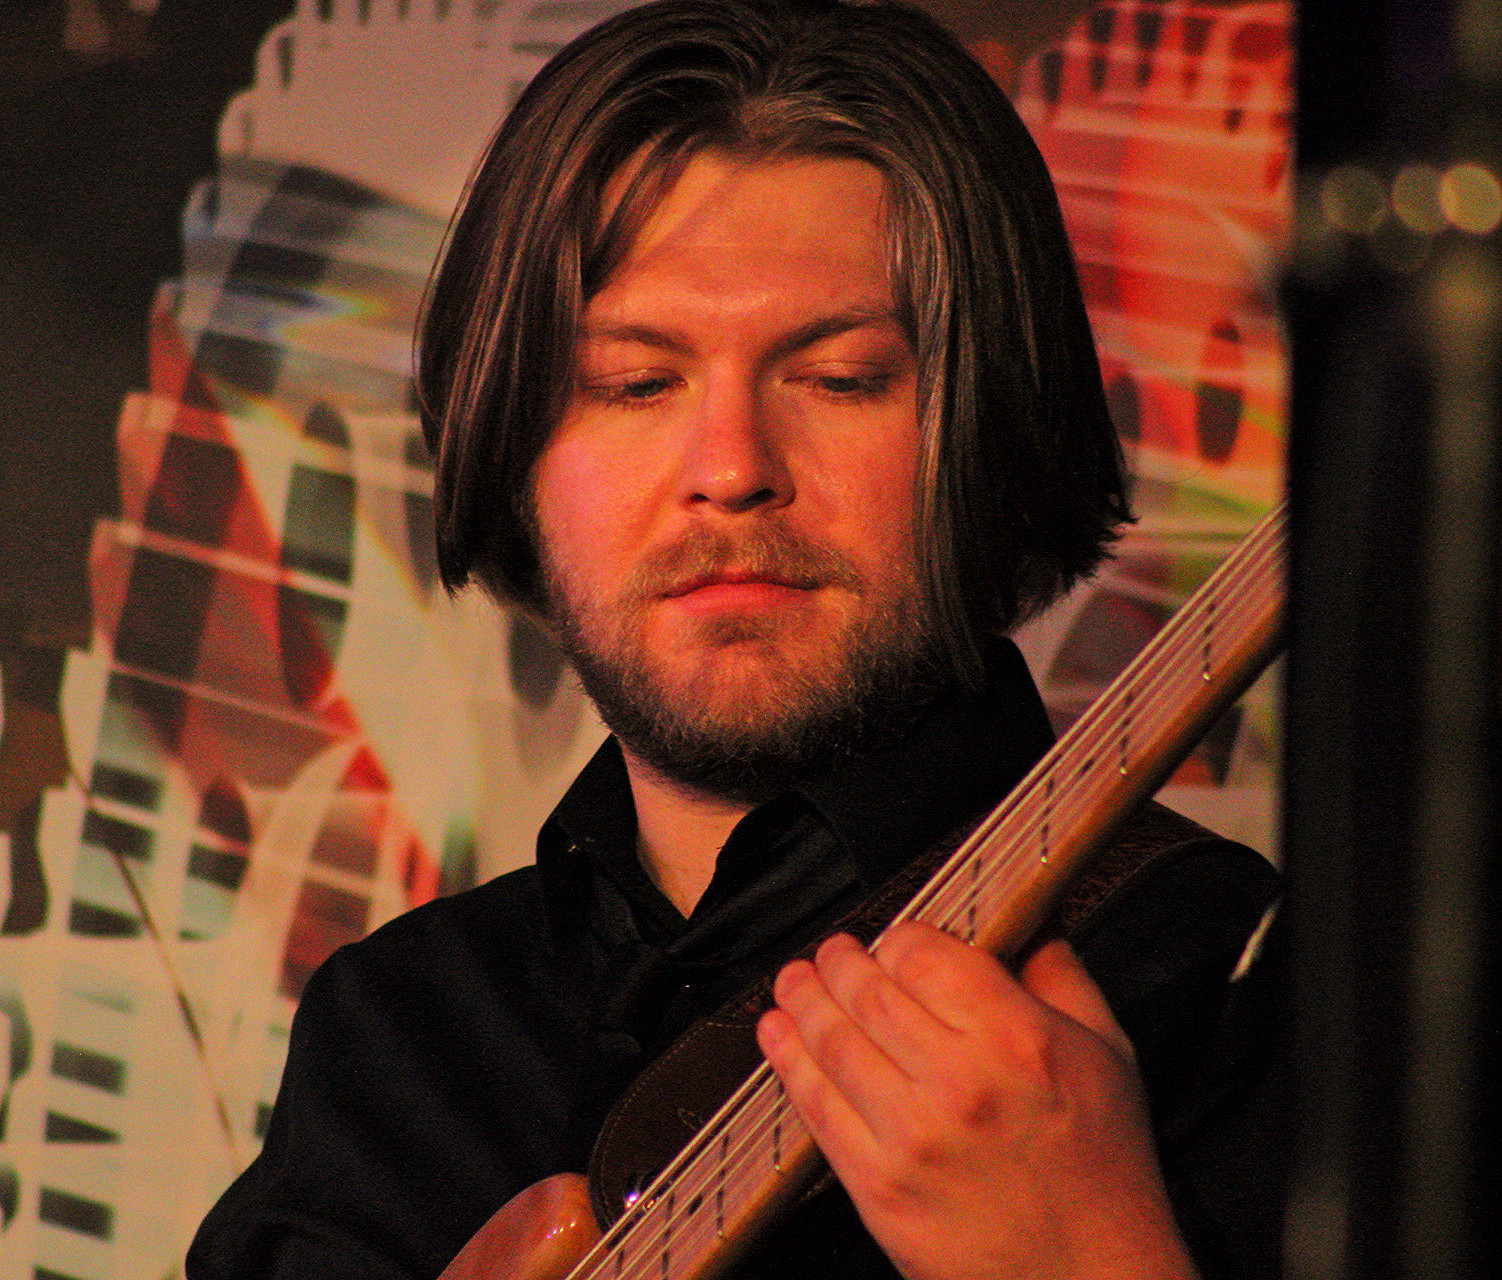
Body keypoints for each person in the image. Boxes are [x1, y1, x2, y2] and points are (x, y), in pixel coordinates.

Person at [187, 3, 1284, 1278]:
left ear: (993, 430)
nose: (730, 467)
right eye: (635, 383)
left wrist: (1089, 1253)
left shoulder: (1247, 984)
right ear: (516, 449)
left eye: (841, 378)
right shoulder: (395, 1033)